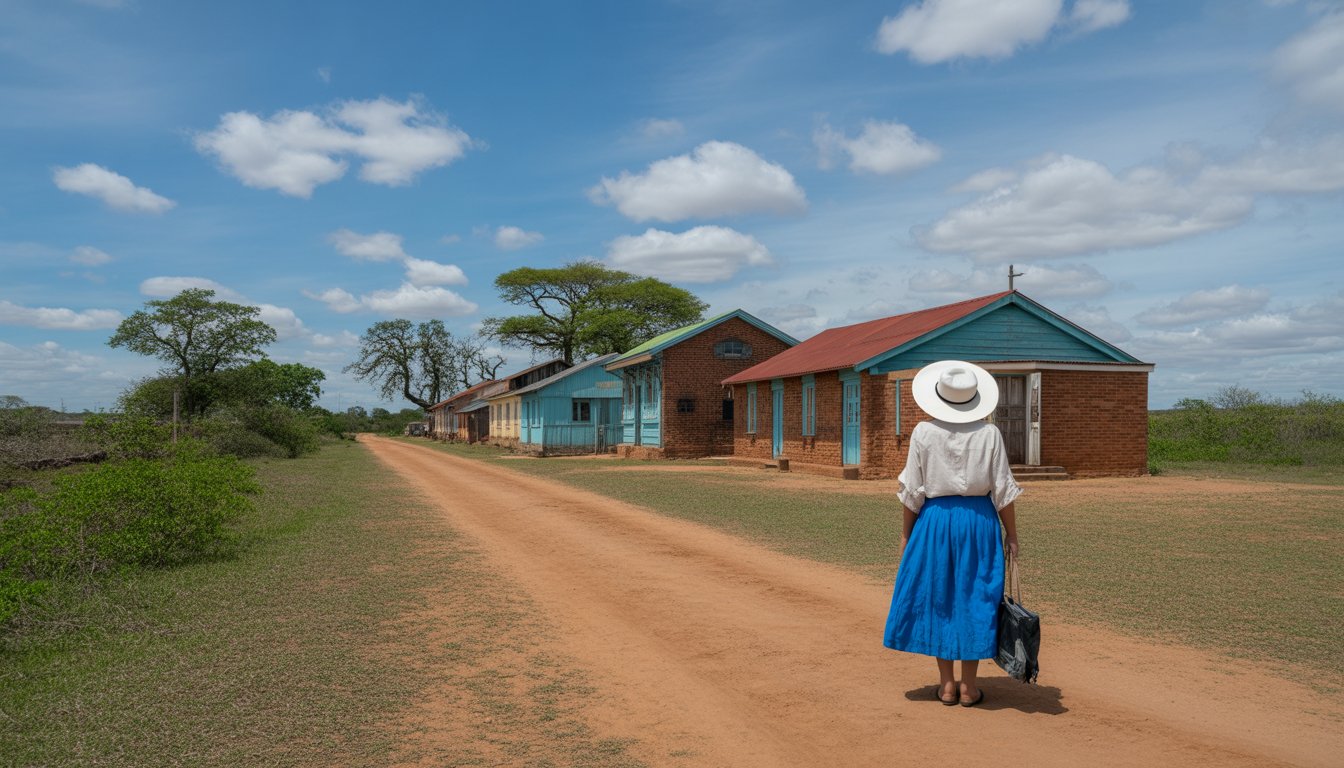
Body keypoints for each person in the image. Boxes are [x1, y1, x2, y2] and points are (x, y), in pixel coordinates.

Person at [883, 360, 1022, 708]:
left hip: (934, 522)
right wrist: (1013, 535)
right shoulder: (990, 433)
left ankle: (946, 685)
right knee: (977, 598)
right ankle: (969, 688)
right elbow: (1002, 490)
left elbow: (912, 491)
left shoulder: (923, 433)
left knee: (940, 598)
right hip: (979, 522)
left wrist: (906, 535)